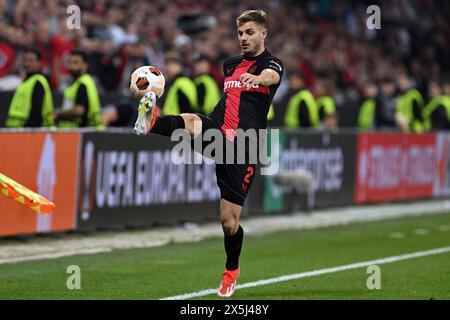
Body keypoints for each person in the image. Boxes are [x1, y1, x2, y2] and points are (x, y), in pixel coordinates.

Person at [134, 10, 283, 297]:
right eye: (240, 33)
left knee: (229, 222)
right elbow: (230, 98)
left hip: (244, 147)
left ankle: (231, 271)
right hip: (218, 131)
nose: (243, 38)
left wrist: (260, 80)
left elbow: (271, 75)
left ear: (263, 33)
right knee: (190, 121)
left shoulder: (271, 63)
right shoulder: (230, 65)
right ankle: (150, 122)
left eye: (249, 32)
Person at [6, 49, 54, 128]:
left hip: (32, 133)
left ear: (39, 63)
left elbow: (36, 112)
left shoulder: (38, 81)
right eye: (25, 60)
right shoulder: (26, 82)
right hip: (19, 131)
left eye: (31, 61)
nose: (27, 64)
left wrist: (27, 130)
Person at [54, 50, 103, 128]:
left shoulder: (82, 84)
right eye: (69, 62)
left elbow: (79, 110)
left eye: (75, 62)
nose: (71, 66)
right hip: (87, 130)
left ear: (85, 65)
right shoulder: (84, 82)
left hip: (82, 131)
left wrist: (59, 114)